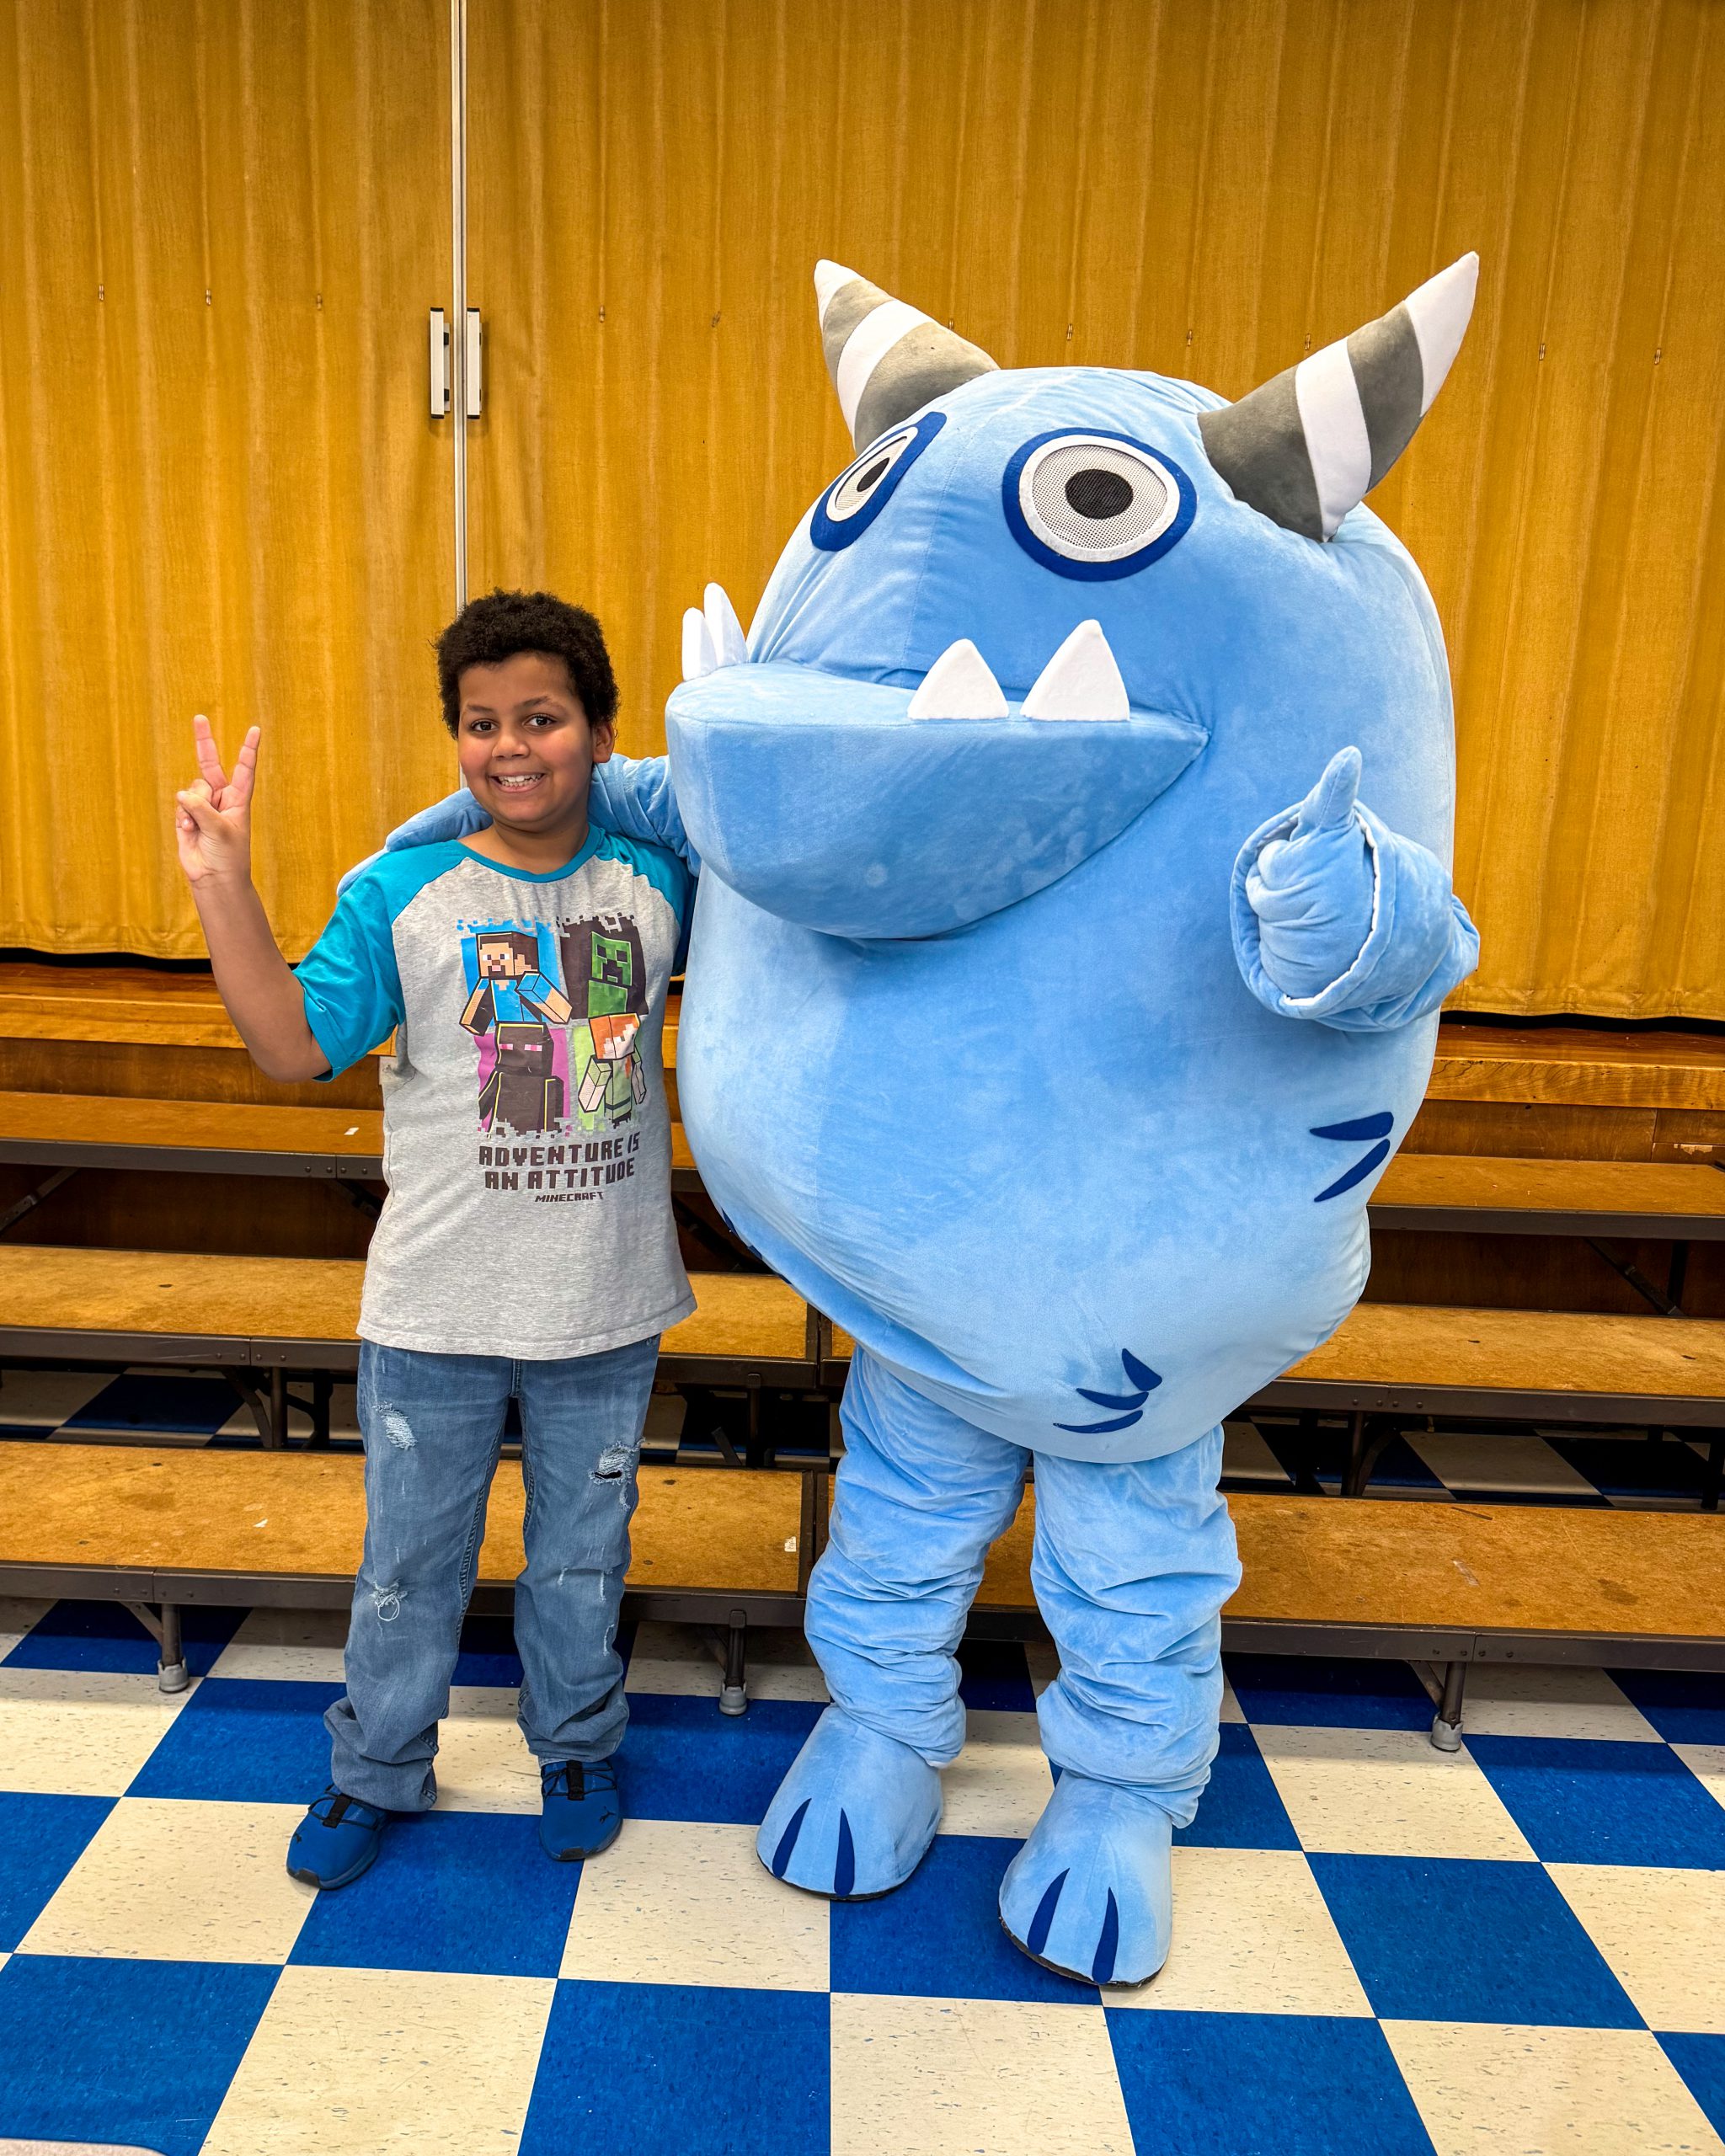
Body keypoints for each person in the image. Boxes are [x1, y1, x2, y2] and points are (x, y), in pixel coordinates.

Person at [174, 588, 693, 1889]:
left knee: (582, 1560)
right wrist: (223, 883)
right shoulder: (403, 892)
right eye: (481, 723)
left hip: (605, 1303)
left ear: (601, 735)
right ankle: (376, 1767)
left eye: (542, 718)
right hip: (434, 1310)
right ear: (456, 737)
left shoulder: (658, 879)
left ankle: (577, 1747)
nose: (511, 747)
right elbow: (290, 1045)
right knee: (407, 1567)